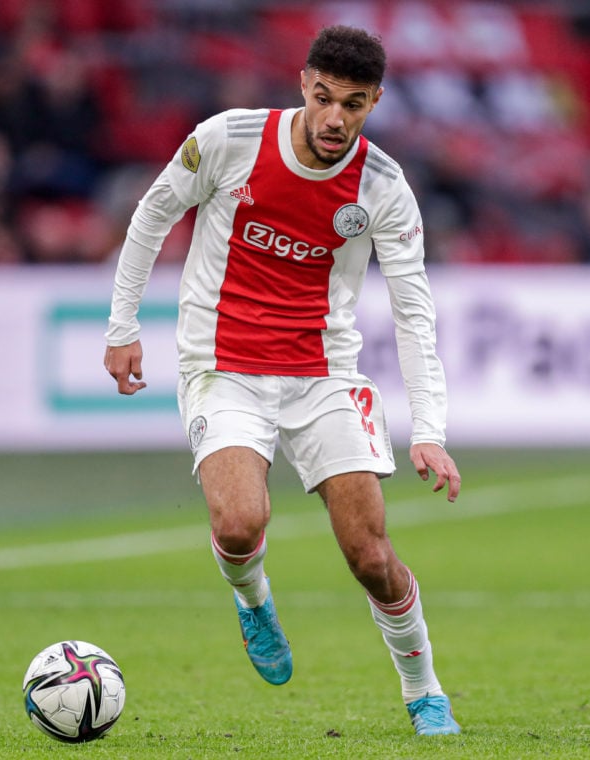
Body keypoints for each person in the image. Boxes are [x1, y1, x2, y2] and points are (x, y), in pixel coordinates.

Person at [104, 24, 462, 736]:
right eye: (325, 98)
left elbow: (413, 309)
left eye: (353, 105)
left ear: (375, 102)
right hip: (222, 366)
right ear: (304, 83)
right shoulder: (229, 139)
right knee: (239, 524)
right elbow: (152, 216)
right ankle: (253, 600)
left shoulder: (384, 187)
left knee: (370, 556)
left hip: (324, 374)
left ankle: (424, 691)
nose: (335, 119)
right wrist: (121, 328)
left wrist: (430, 430)